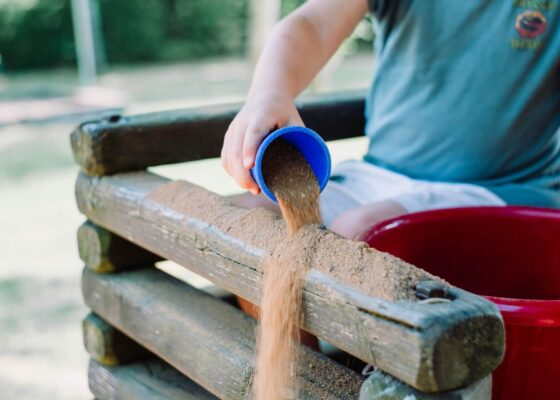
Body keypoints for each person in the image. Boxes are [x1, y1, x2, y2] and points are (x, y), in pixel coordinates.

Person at [221, 0, 560, 240]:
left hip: (498, 188)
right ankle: (296, 344)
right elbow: (313, 24)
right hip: (377, 176)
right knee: (251, 218)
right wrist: (270, 93)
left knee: (360, 231)